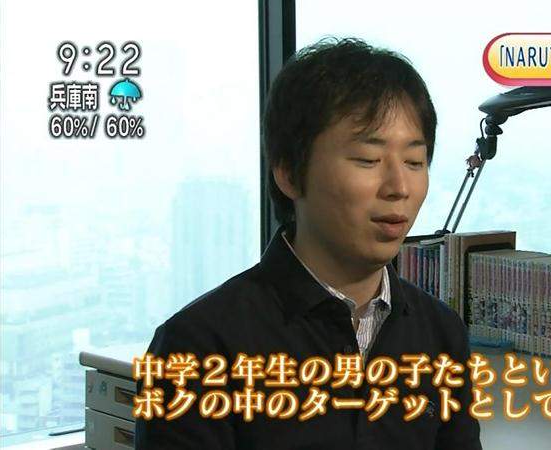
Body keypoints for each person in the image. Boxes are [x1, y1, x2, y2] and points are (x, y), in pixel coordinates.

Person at [135, 38, 482, 449]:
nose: (399, 187)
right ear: (288, 173)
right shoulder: (197, 347)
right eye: (368, 160)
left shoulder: (441, 334)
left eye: (414, 161)